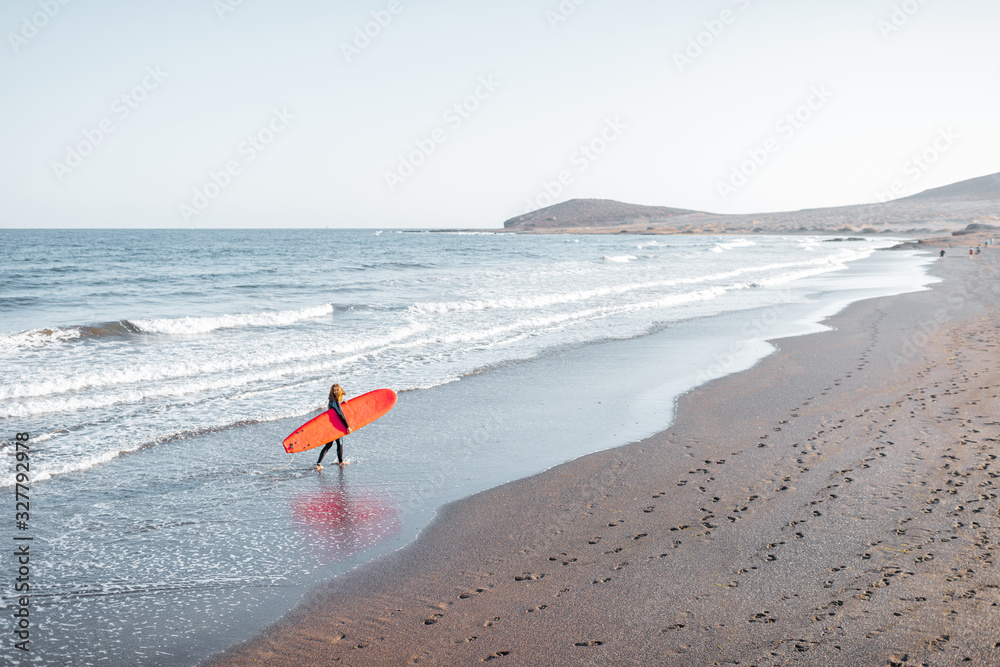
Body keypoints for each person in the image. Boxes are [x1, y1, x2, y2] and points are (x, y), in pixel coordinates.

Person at [316, 384, 352, 470]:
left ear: (340, 390)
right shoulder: (335, 401)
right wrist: (347, 426)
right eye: (334, 390)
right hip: (334, 426)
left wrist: (342, 404)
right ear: (332, 392)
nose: (335, 392)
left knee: (331, 444)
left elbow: (336, 410)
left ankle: (319, 464)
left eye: (337, 390)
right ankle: (338, 462)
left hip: (331, 425)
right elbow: (341, 415)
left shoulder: (332, 400)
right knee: (338, 443)